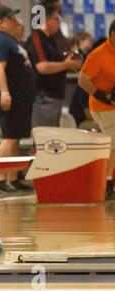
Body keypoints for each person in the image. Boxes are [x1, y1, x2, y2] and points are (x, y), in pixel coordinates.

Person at [0, 7, 36, 193]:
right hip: (11, 97)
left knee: (15, 137)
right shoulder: (0, 41)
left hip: (22, 97)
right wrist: (4, 93)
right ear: (1, 23)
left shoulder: (11, 41)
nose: (16, 22)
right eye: (11, 19)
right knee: (8, 137)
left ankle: (13, 177)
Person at [26, 3, 82, 128]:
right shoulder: (37, 39)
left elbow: (59, 63)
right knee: (45, 141)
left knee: (52, 140)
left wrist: (70, 63)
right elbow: (42, 67)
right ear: (46, 20)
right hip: (44, 97)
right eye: (56, 19)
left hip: (55, 96)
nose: (58, 22)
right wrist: (66, 64)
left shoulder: (51, 40)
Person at [78, 20, 115, 200]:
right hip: (102, 107)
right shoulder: (98, 55)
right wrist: (101, 95)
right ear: (113, 34)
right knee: (114, 144)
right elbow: (83, 80)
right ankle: (106, 184)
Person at [69, 32, 95, 128]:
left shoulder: (88, 55)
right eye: (89, 40)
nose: (91, 42)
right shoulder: (85, 85)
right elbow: (88, 114)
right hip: (81, 121)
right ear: (81, 41)